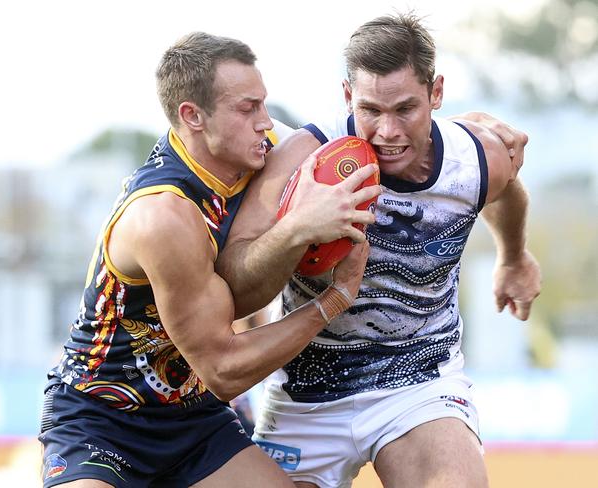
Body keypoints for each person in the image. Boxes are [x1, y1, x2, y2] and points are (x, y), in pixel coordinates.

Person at [38, 31, 381, 488]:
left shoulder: (253, 148)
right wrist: (334, 297)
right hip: (103, 418)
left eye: (263, 103)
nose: (265, 122)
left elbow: (364, 133)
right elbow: (223, 371)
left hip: (190, 419)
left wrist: (468, 132)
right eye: (247, 109)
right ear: (192, 116)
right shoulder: (164, 216)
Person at [216, 13, 541, 488]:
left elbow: (506, 191)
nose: (387, 131)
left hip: (420, 383)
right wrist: (297, 230)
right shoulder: (303, 158)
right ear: (348, 95)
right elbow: (235, 276)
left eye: (405, 109)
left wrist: (513, 257)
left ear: (437, 93)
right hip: (306, 395)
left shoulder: (478, 157)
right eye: (371, 110)